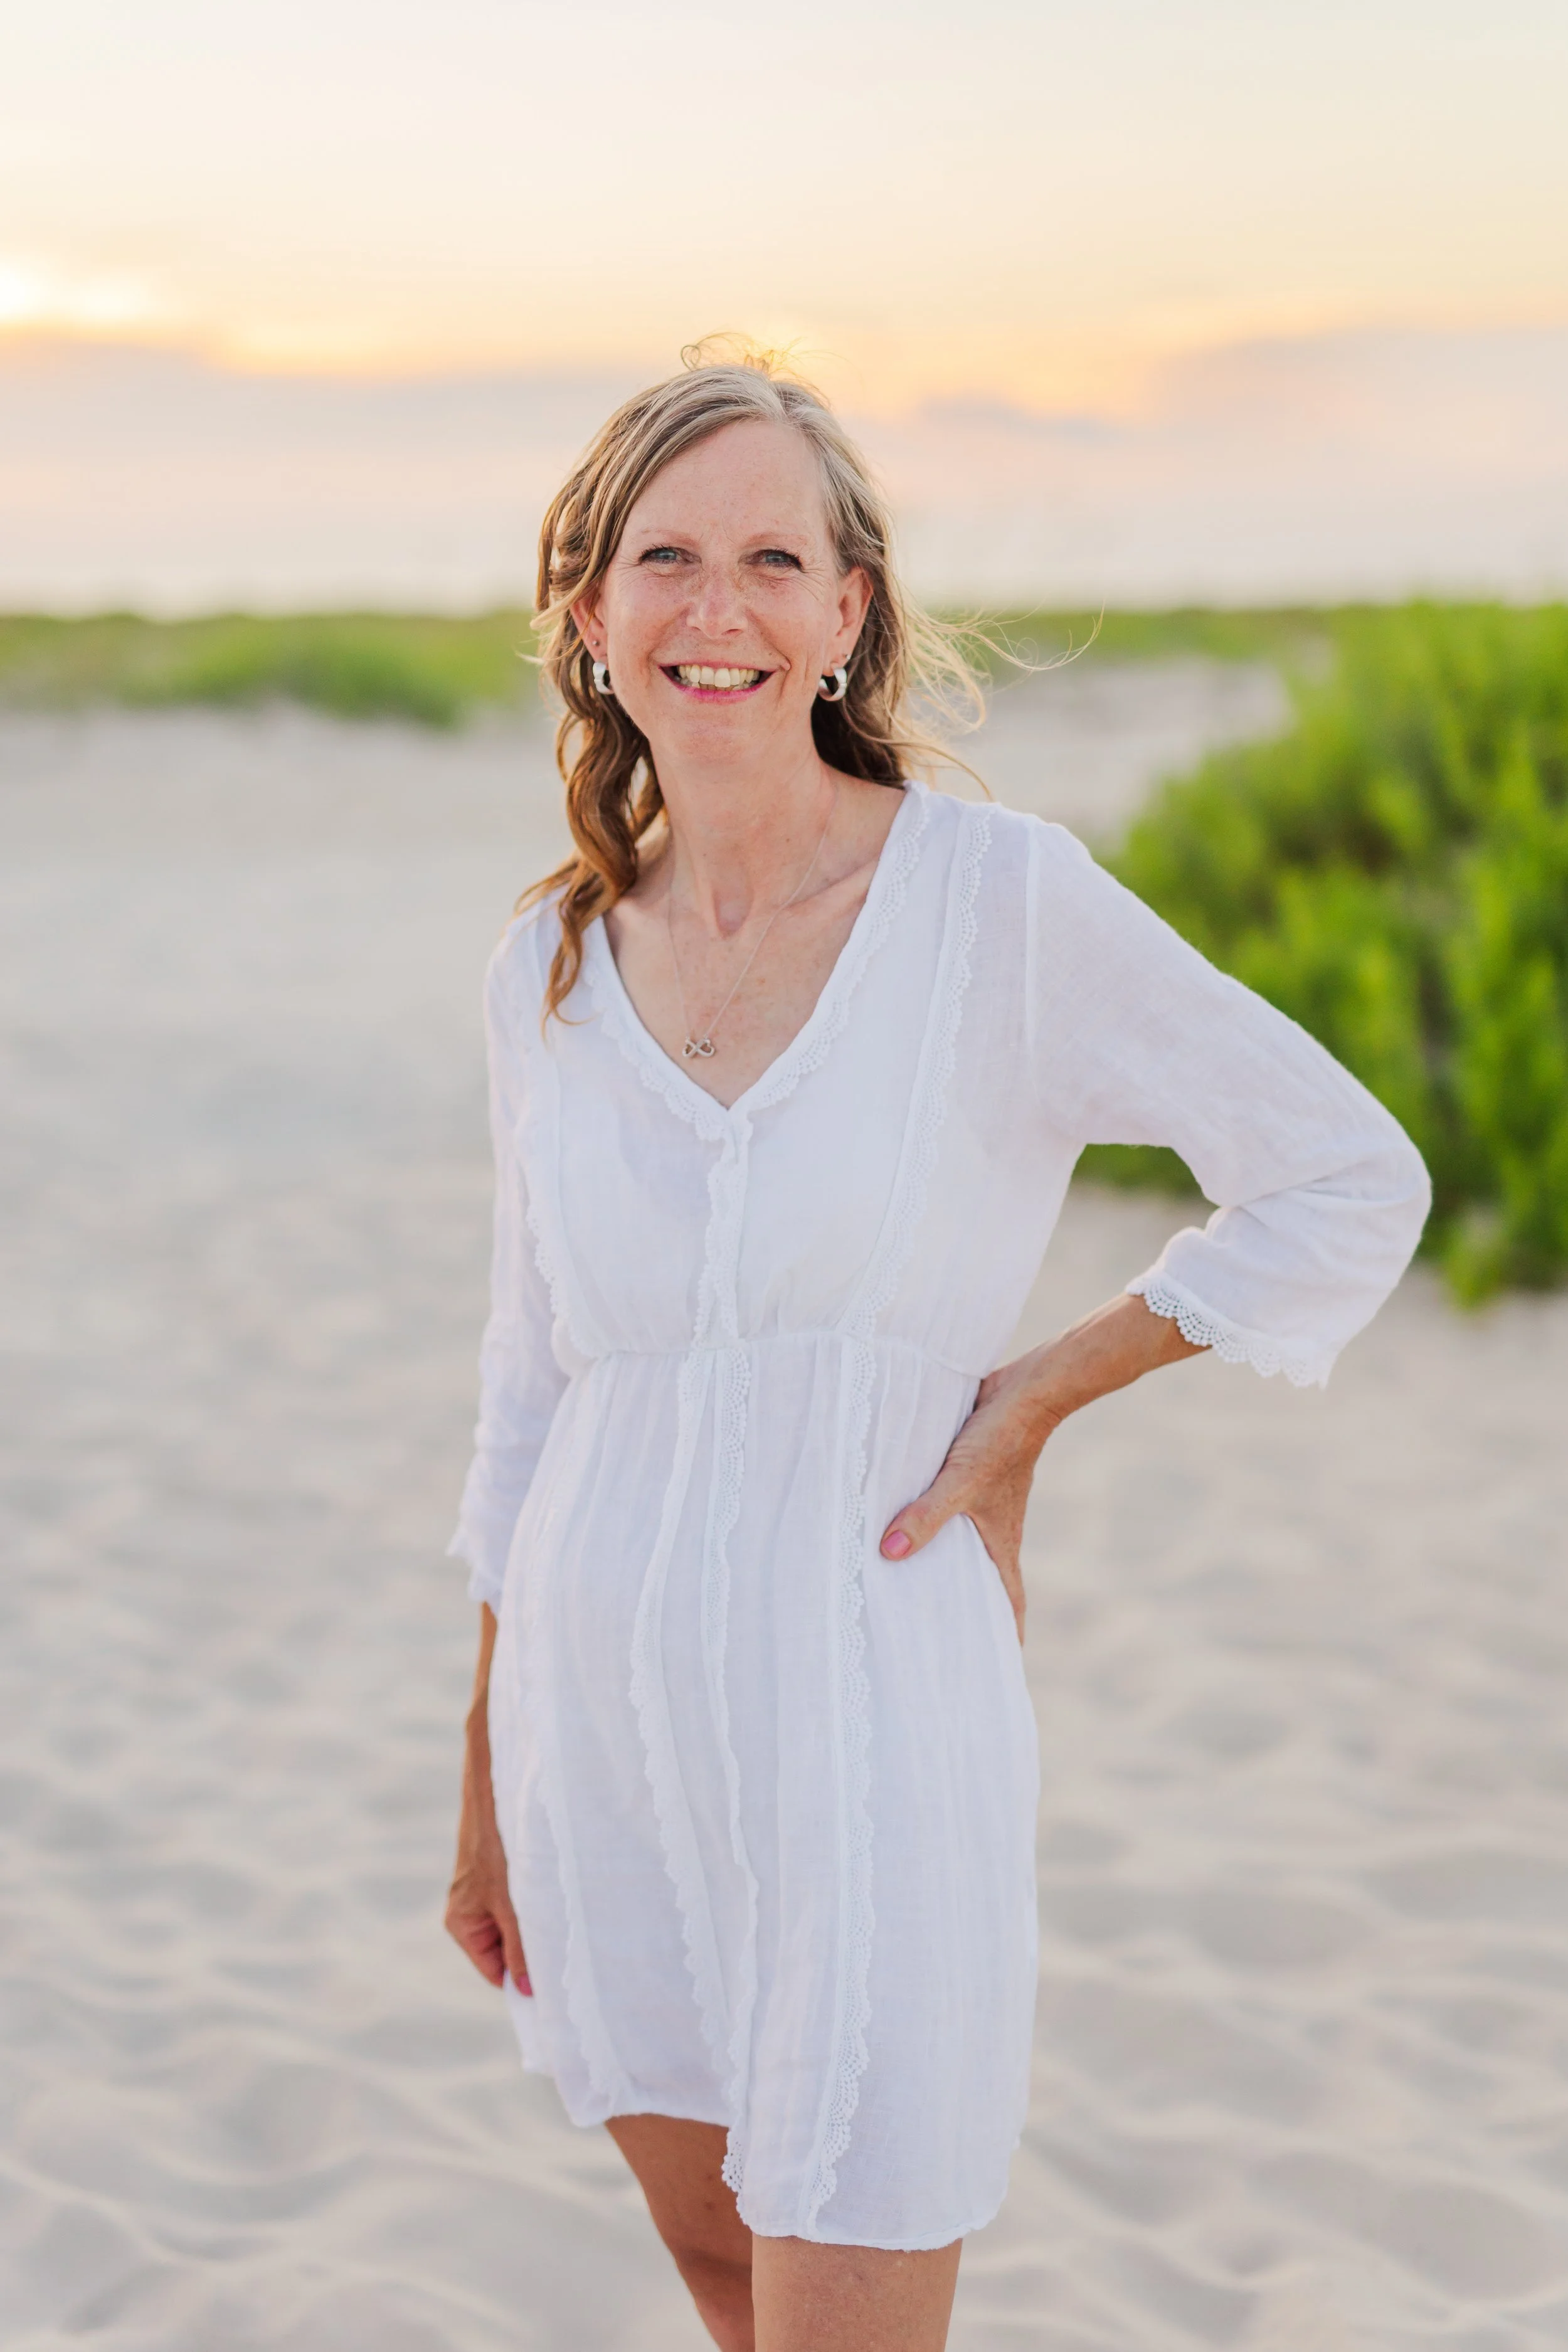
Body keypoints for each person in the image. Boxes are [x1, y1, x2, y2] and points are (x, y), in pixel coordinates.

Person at [443, 353, 1429, 2352]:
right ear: (588, 614)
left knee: (848, 2288)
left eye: (769, 558)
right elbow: (528, 1388)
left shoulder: (994, 906)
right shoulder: (546, 962)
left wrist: (1038, 1396)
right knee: (725, 2277)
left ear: (844, 613)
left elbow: (1343, 1171)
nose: (713, 606)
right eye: (663, 557)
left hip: (867, 1705)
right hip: (594, 1724)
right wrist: (482, 1772)